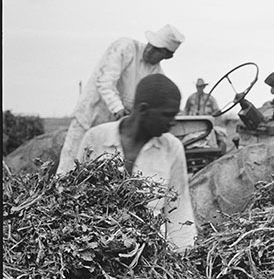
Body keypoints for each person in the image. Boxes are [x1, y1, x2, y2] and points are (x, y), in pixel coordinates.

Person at [71, 73, 197, 253]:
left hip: (150, 253)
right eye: (167, 115)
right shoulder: (96, 139)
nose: (172, 123)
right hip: (97, 250)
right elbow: (73, 198)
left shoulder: (172, 148)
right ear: (144, 110)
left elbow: (179, 208)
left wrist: (183, 256)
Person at [56, 24, 185, 174]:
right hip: (89, 117)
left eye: (158, 50)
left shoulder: (157, 75)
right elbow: (105, 81)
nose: (150, 51)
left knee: (102, 177)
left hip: (112, 133)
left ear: (167, 56)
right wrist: (118, 108)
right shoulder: (125, 47)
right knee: (68, 169)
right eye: (151, 45)